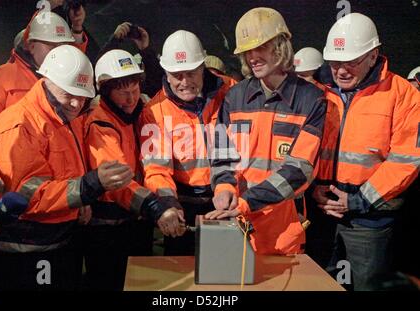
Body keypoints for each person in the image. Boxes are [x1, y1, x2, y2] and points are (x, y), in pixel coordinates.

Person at [0, 45, 133, 290]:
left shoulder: (63, 116)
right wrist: (89, 186)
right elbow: (29, 195)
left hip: (58, 240)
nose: (75, 103)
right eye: (68, 93)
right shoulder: (18, 126)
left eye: (82, 96)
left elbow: (65, 167)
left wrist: (83, 200)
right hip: (24, 248)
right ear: (45, 80)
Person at [205, 7, 326, 255]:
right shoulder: (234, 96)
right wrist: (224, 188)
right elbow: (221, 153)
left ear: (281, 46)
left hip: (283, 230)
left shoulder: (311, 99)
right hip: (236, 224)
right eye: (248, 50)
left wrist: (246, 202)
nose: (253, 57)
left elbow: (299, 170)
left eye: (260, 47)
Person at [312, 13, 420, 290]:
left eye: (351, 62)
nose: (341, 71)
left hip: (370, 219)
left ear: (373, 55)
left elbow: (406, 160)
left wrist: (358, 200)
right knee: (313, 283)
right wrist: (316, 187)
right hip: (321, 213)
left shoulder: (404, 95)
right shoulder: (318, 92)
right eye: (335, 63)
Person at [81, 49, 184, 290]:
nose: (131, 99)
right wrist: (156, 207)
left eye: (135, 91)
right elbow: (118, 182)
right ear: (105, 91)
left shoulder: (134, 116)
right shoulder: (101, 124)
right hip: (108, 231)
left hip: (134, 221)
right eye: (122, 93)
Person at [140, 30, 236, 255]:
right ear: (166, 72)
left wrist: (228, 189)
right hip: (182, 204)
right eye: (177, 74)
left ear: (203, 66)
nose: (184, 82)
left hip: (228, 199)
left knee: (226, 271)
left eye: (191, 73)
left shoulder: (232, 93)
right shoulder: (154, 111)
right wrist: (167, 205)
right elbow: (155, 169)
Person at [0, 11, 86, 186]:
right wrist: (6, 182)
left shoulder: (66, 82)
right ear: (31, 45)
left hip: (61, 192)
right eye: (52, 47)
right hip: (12, 190)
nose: (59, 53)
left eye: (63, 46)